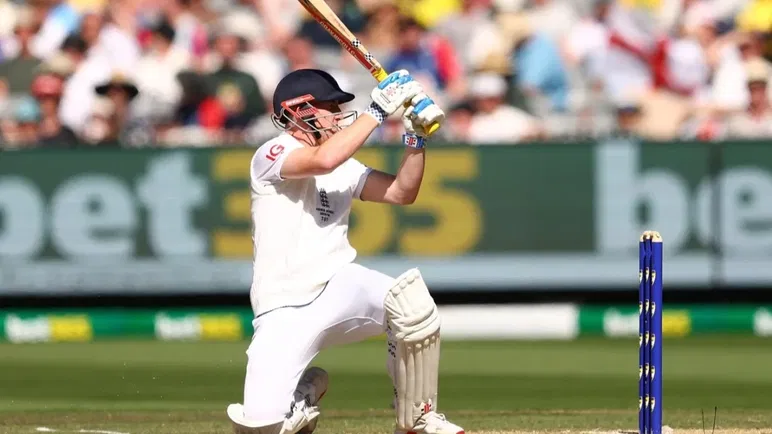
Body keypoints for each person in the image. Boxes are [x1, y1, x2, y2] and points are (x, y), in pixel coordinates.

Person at [225, 67, 463, 434]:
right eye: (331, 107)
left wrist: (415, 139)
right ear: (301, 110)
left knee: (411, 307)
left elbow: (402, 192)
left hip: (339, 282)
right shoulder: (273, 152)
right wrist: (378, 112)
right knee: (262, 427)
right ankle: (300, 399)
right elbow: (323, 161)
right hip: (283, 305)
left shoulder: (342, 164)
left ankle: (418, 417)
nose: (338, 116)